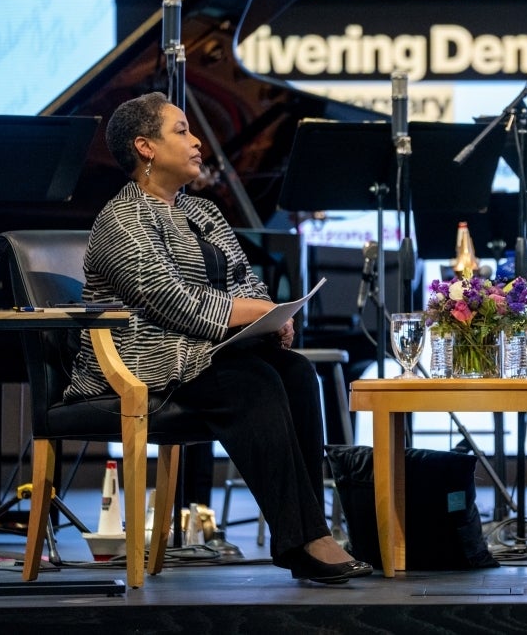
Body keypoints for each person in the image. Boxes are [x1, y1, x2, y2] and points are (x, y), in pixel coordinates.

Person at [64, 91, 372, 585]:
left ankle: (306, 536)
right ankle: (305, 538)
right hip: (145, 359)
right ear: (145, 147)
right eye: (182, 131)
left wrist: (271, 316)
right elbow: (170, 300)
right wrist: (255, 311)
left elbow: (244, 279)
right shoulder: (120, 220)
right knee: (252, 384)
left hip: (204, 354)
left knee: (296, 372)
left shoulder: (203, 212)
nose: (197, 141)